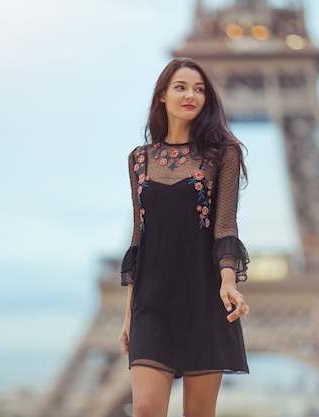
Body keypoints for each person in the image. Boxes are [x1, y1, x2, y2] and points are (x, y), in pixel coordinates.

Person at [119, 57, 250, 417]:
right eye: (181, 87)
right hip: (152, 303)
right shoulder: (139, 160)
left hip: (204, 299)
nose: (191, 94)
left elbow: (225, 225)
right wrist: (130, 313)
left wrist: (228, 281)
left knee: (198, 413)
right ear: (162, 95)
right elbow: (139, 238)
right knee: (145, 408)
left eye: (199, 89)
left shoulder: (223, 155)